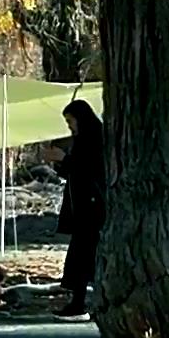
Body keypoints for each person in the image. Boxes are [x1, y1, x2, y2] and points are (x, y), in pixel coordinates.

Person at [53, 99, 108, 317]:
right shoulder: (81, 140)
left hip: (93, 207)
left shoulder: (96, 139)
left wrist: (65, 159)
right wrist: (61, 163)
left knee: (86, 255)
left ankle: (83, 302)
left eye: (71, 121)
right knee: (80, 257)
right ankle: (78, 301)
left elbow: (90, 169)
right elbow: (73, 172)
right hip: (81, 207)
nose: (69, 126)